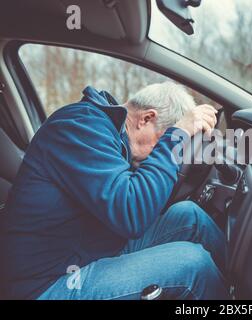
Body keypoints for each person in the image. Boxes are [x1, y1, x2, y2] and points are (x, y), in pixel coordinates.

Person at [0, 82, 227, 300]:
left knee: (189, 215)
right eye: (162, 140)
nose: (158, 152)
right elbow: (132, 213)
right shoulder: (79, 127)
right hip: (47, 284)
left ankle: (238, 288)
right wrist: (176, 136)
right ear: (146, 119)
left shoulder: (107, 132)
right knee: (193, 264)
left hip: (89, 250)